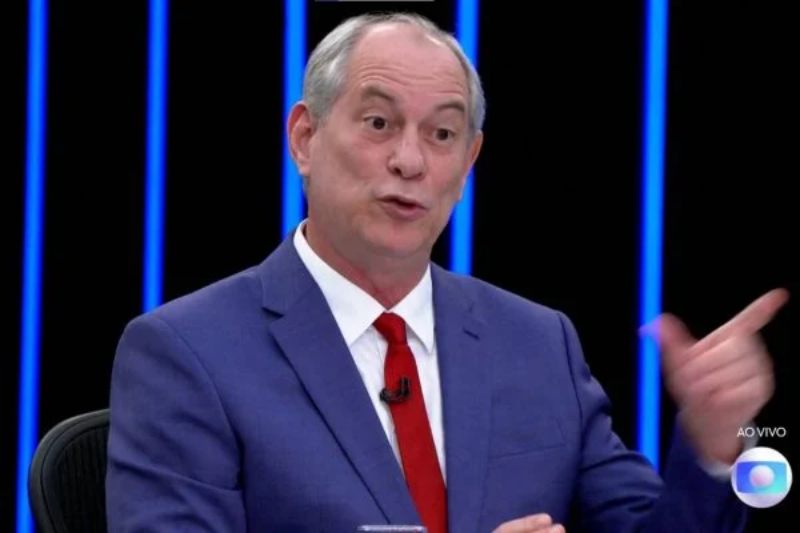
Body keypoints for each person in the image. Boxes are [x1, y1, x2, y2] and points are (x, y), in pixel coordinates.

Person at [105, 12, 788, 532]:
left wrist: (711, 445)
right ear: (305, 138)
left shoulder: (539, 344)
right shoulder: (186, 352)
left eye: (441, 134)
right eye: (379, 122)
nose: (410, 161)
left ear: (468, 163)